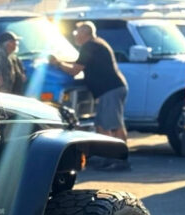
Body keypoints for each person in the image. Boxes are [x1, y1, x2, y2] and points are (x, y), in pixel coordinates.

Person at [50, 21, 130, 170]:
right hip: (112, 89)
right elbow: (79, 63)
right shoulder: (96, 44)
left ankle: (119, 160)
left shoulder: (89, 46)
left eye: (77, 33)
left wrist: (58, 64)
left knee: (111, 126)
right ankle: (107, 157)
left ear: (85, 34)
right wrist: (62, 61)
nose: (75, 36)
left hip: (110, 90)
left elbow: (75, 70)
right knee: (103, 125)